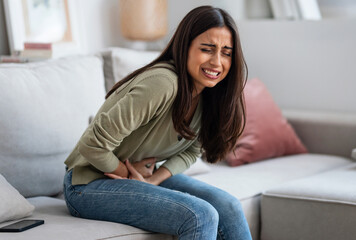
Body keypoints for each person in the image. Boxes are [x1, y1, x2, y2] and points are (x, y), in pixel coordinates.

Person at [63, 5, 252, 240]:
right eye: (207, 49)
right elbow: (92, 144)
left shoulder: (209, 96)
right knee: (200, 215)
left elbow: (192, 151)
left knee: (229, 207)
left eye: (226, 52)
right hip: (86, 185)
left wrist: (153, 180)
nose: (217, 61)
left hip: (137, 178)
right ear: (185, 47)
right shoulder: (163, 83)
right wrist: (130, 176)